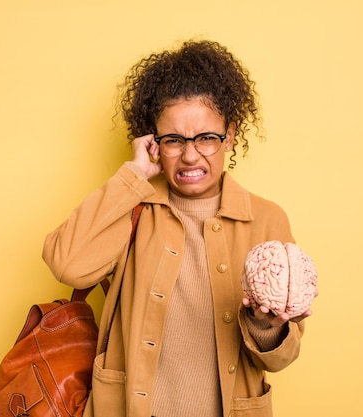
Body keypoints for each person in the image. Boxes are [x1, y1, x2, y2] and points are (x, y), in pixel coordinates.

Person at [42, 39, 313, 417]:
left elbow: (281, 358)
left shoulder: (266, 219)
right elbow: (67, 264)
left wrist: (265, 324)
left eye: (206, 138)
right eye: (173, 140)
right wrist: (133, 175)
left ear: (230, 135)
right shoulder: (133, 205)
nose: (189, 155)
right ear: (153, 142)